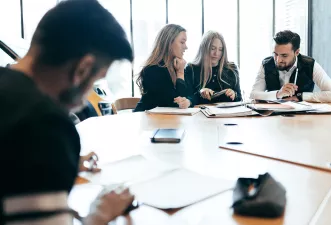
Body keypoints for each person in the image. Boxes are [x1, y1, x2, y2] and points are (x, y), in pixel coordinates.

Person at [0, 0, 135, 224]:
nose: (85, 99)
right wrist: (100, 215)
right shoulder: (46, 126)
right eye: (95, 80)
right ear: (82, 69)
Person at [250, 30, 331, 103]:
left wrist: (300, 96)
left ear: (296, 52)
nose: (278, 60)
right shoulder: (266, 64)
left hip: (303, 119)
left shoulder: (310, 64)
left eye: (284, 56)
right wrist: (278, 94)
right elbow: (253, 94)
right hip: (273, 117)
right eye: (275, 54)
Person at [134, 24, 191, 112]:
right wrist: (180, 73)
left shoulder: (177, 66)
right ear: (169, 43)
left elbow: (187, 97)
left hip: (167, 120)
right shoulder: (152, 69)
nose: (186, 47)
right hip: (148, 121)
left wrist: (188, 101)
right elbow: (174, 103)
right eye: (182, 42)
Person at [185, 31, 242, 105]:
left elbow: (240, 99)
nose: (216, 53)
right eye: (212, 48)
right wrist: (200, 93)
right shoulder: (191, 69)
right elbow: (187, 98)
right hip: (199, 115)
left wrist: (234, 94)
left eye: (220, 49)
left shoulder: (232, 69)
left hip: (226, 115)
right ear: (204, 49)